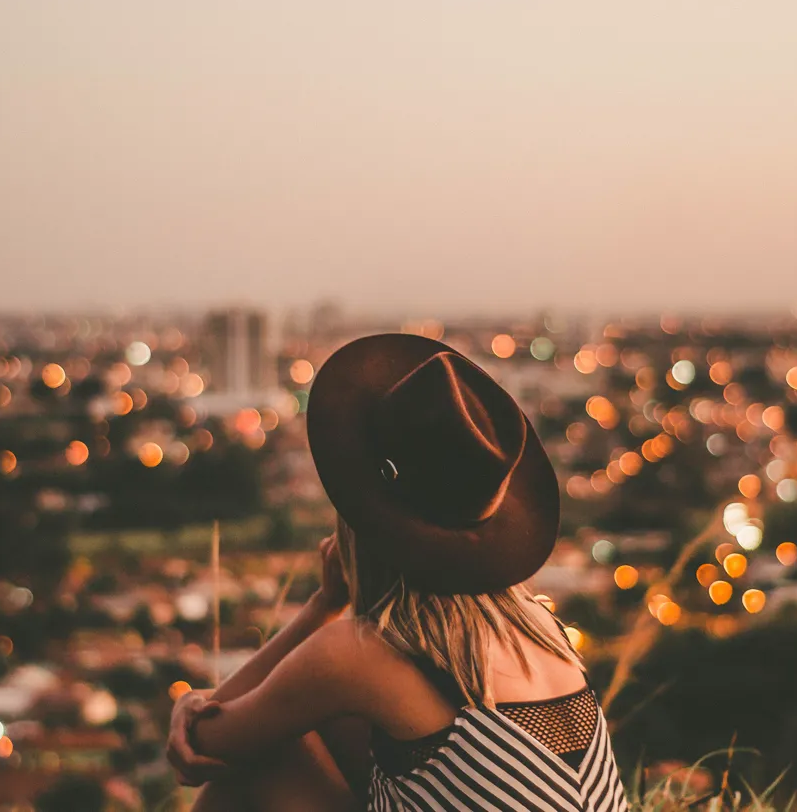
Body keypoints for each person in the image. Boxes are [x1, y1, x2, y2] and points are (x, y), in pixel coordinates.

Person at [167, 333, 628, 811]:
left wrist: (321, 607)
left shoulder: (360, 654)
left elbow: (203, 744)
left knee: (266, 753)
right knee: (309, 724)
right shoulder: (540, 626)